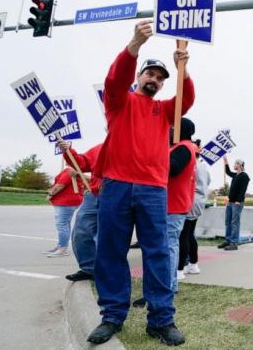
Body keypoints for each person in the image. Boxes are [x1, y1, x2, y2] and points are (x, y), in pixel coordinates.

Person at [87, 20, 194, 346]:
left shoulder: (164, 111)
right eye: (151, 74)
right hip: (117, 184)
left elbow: (186, 98)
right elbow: (114, 78)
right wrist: (134, 44)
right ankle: (112, 316)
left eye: (161, 78)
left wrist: (182, 69)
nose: (156, 80)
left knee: (158, 253)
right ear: (139, 77)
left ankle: (161, 320)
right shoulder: (119, 101)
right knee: (111, 251)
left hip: (152, 189)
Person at [58, 140, 103, 281]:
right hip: (94, 195)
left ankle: (107, 271)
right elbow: (82, 163)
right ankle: (89, 269)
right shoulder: (100, 147)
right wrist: (68, 150)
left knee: (108, 236)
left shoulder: (134, 145)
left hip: (118, 196)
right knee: (81, 232)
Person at [166, 118, 199, 292]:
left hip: (173, 206)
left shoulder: (184, 148)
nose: (168, 131)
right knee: (170, 245)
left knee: (169, 247)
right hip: (174, 205)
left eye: (171, 128)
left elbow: (172, 168)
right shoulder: (184, 148)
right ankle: (169, 284)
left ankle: (168, 286)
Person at [180, 143, 211, 275]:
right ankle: (193, 264)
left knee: (184, 235)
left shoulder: (192, 166)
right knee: (190, 234)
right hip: (200, 202)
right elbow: (208, 182)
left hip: (190, 200)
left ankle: (180, 268)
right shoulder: (204, 167)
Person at [45, 167, 84, 258]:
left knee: (62, 224)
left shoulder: (69, 171)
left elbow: (60, 185)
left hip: (65, 201)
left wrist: (50, 194)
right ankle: (61, 246)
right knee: (65, 224)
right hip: (70, 201)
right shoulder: (76, 171)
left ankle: (62, 249)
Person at [218, 155, 250, 251]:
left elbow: (243, 190)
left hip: (237, 203)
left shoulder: (244, 176)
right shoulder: (236, 175)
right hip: (230, 202)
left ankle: (234, 243)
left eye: (235, 164)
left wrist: (238, 201)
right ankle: (228, 240)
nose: (234, 165)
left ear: (239, 165)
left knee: (235, 222)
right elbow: (227, 172)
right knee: (228, 222)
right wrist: (225, 160)